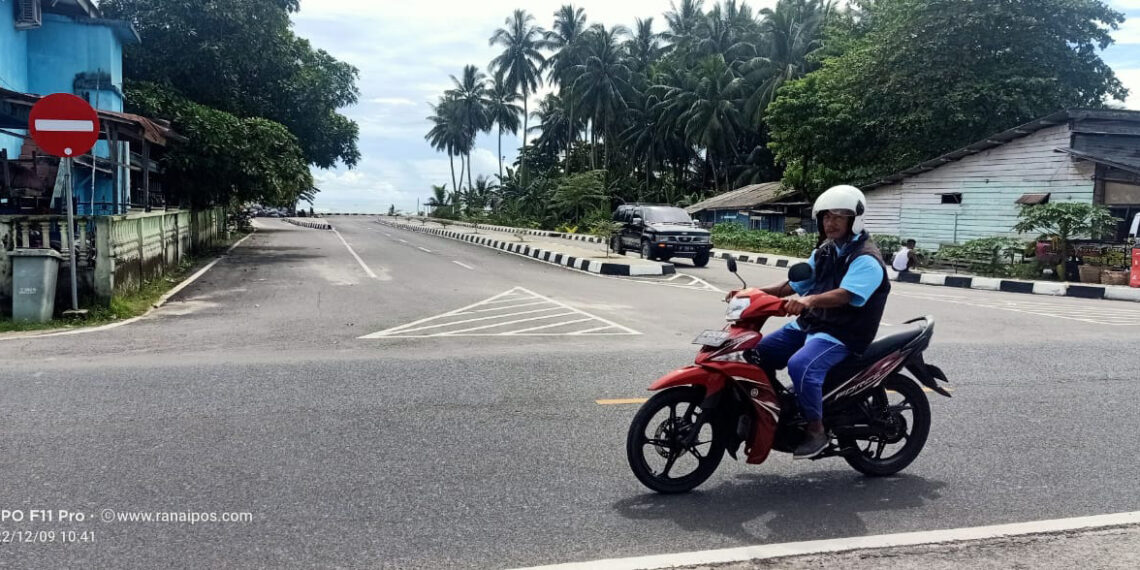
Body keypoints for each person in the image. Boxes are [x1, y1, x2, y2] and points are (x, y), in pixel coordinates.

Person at [750, 185, 891, 459]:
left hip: (843, 333)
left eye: (839, 216)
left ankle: (816, 430)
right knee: (757, 351)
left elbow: (846, 295)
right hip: (812, 325)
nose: (831, 222)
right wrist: (753, 293)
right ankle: (774, 408)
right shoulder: (826, 251)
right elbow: (793, 284)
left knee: (801, 365)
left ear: (854, 219)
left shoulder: (866, 259)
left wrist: (809, 301)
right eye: (827, 216)